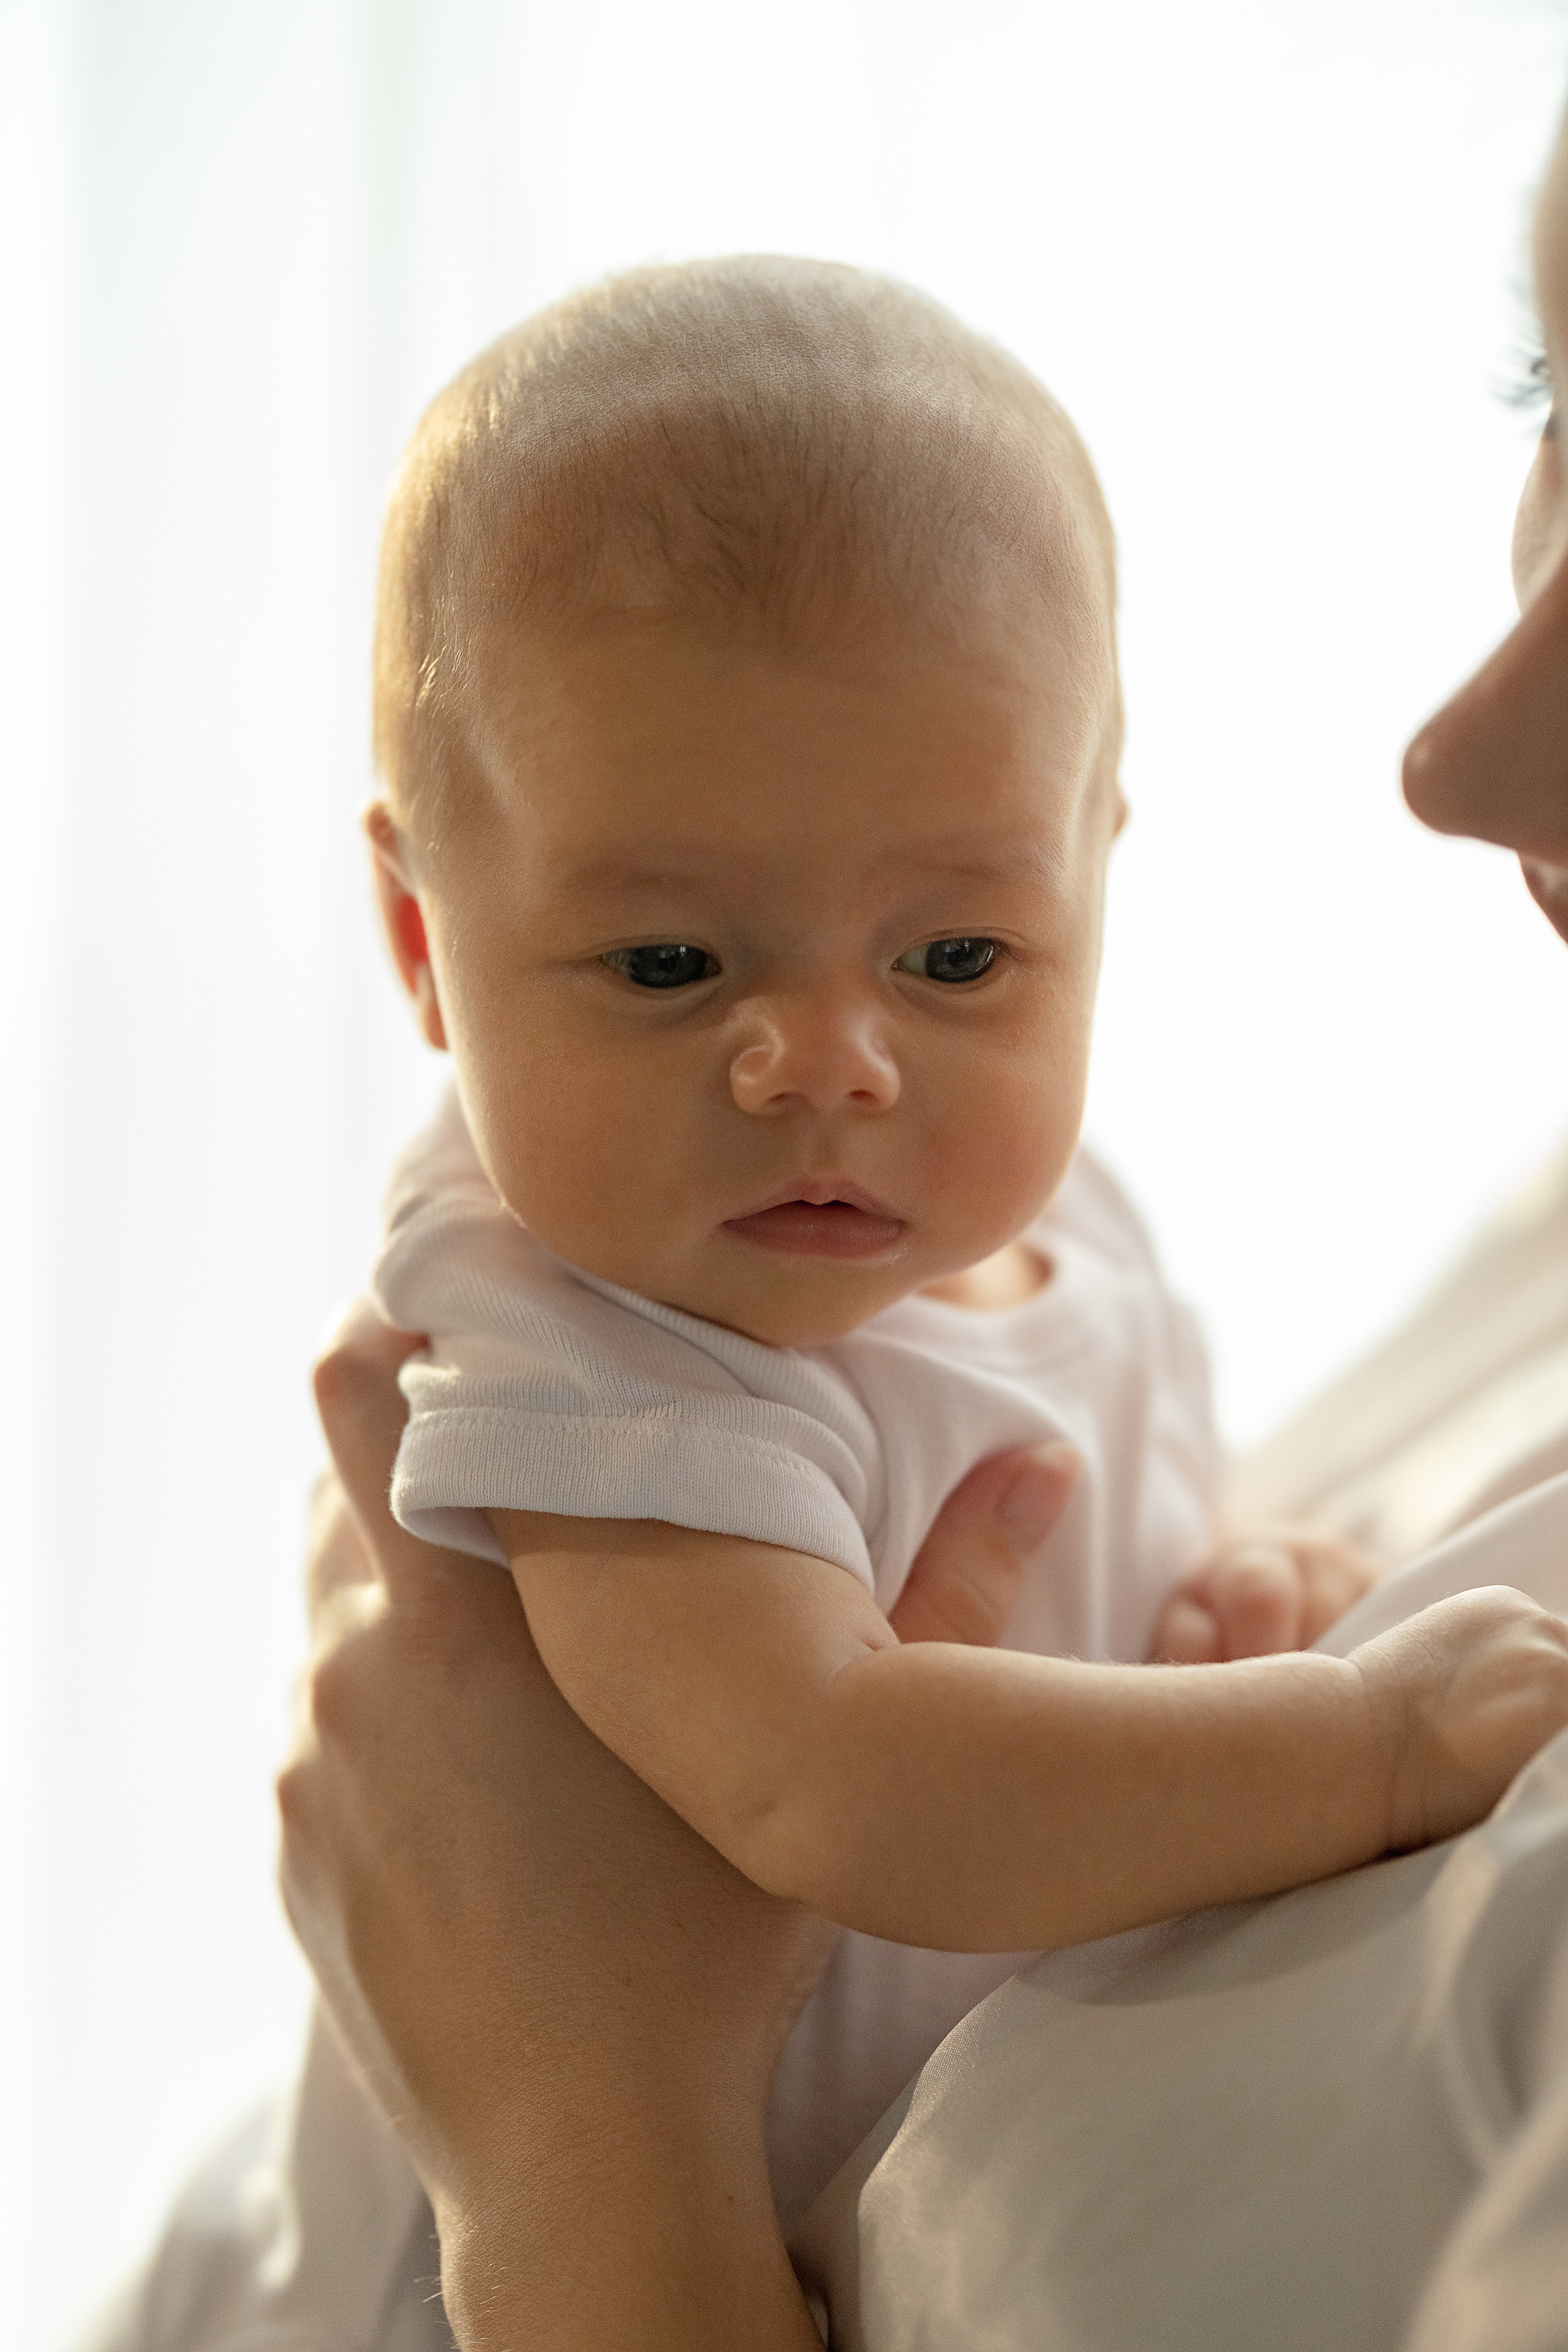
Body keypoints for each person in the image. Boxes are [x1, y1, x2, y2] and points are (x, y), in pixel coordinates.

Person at [83, 102, 1568, 2352]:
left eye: (958, 959)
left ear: (1090, 874)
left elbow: (1044, 1578)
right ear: (417, 938)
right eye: (673, 966)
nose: (828, 1066)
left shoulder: (1034, 1214)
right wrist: (1345, 1739)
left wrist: (1228, 1595)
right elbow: (828, 1774)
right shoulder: (580, 1340)